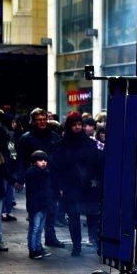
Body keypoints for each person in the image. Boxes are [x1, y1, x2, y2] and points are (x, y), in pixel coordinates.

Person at [52, 111, 103, 256]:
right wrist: (59, 186)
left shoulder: (90, 144)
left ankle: (95, 243)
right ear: (69, 126)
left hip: (89, 185)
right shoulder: (61, 145)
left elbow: (98, 163)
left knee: (92, 216)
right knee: (73, 216)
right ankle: (77, 246)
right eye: (74, 125)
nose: (77, 127)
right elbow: (57, 168)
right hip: (71, 186)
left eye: (79, 124)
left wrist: (96, 180)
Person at [15, 108, 65, 248]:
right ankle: (35, 243)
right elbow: (21, 160)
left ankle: (50, 237)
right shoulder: (26, 138)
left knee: (52, 209)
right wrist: (20, 178)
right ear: (33, 121)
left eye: (44, 119)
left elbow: (60, 159)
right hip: (35, 180)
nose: (42, 122)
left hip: (52, 177)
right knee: (36, 210)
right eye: (39, 119)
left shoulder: (55, 137)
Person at [24, 150, 54, 259]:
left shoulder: (46, 172)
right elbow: (33, 192)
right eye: (40, 160)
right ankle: (33, 249)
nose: (44, 162)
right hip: (36, 205)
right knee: (35, 228)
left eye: (45, 160)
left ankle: (38, 247)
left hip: (43, 204)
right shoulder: (32, 173)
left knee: (39, 228)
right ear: (34, 161)